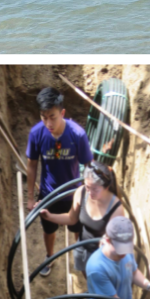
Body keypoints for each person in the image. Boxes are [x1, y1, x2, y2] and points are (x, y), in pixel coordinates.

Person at [25, 87, 94, 276]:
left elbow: (90, 165)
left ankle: (81, 257)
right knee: (48, 229)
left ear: (62, 113)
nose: (48, 122)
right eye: (43, 117)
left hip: (73, 193)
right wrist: (31, 198)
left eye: (52, 117)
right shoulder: (36, 134)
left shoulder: (77, 135)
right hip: (48, 193)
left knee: (77, 228)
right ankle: (50, 256)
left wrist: (90, 191)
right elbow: (31, 166)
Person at [40, 162, 126, 274]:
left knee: (99, 285)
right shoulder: (81, 192)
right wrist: (49, 216)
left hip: (103, 257)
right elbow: (71, 218)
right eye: (87, 186)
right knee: (87, 276)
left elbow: (121, 247)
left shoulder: (116, 209)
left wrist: (109, 243)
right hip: (82, 249)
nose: (89, 192)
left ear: (106, 187)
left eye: (95, 189)